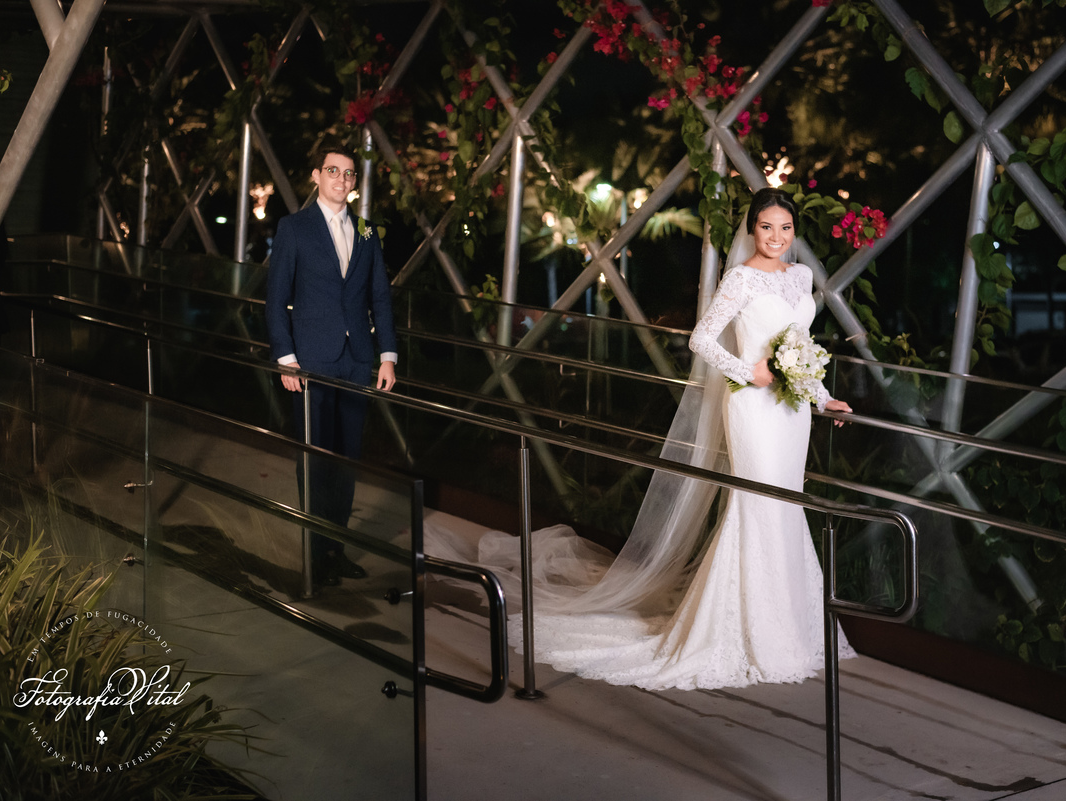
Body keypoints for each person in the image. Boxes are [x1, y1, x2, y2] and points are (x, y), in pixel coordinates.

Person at [428, 187, 854, 690]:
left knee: (786, 506)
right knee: (756, 506)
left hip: (790, 415)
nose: (777, 237)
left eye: (785, 228)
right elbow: (701, 339)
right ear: (752, 230)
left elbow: (800, 348)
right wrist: (747, 372)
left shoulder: (801, 277)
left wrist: (822, 399)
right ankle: (744, 631)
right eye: (767, 228)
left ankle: (793, 630)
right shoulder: (740, 278)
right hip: (753, 409)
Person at [266, 143, 398, 589]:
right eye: (333, 171)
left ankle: (336, 548)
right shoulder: (294, 228)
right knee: (314, 458)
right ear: (316, 177)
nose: (342, 179)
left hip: (358, 361)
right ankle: (313, 549)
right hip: (312, 362)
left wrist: (387, 355)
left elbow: (379, 296)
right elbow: (275, 297)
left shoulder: (366, 231)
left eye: (349, 174)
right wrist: (286, 358)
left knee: (347, 459)